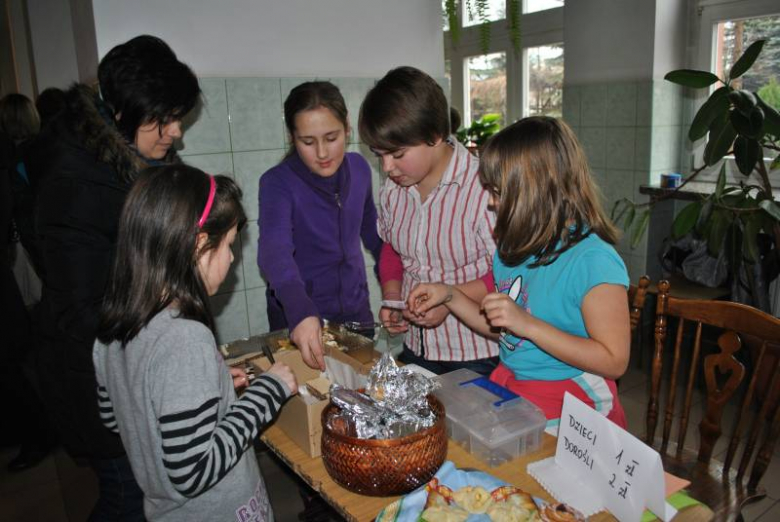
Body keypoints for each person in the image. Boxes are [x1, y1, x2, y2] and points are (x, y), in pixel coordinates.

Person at [34, 35, 200, 521]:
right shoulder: (77, 181)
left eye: (177, 118)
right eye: (163, 119)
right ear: (124, 109)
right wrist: (168, 337)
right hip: (98, 379)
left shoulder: (134, 157)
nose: (175, 132)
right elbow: (82, 310)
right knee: (128, 499)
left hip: (125, 366)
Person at [94, 166, 297, 521]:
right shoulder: (185, 337)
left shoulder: (113, 329)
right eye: (230, 245)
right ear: (200, 245)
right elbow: (194, 471)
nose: (232, 258)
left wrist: (212, 390)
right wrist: (269, 391)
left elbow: (118, 417)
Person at [407, 116, 630, 430]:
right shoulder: (513, 250)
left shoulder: (593, 261)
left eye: (498, 192)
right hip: (517, 385)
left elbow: (614, 360)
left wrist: (527, 324)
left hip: (572, 398)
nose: (491, 202)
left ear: (535, 191)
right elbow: (507, 334)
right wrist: (450, 295)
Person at [358, 66, 498, 376]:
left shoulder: (483, 190)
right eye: (378, 153)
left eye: (396, 153)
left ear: (435, 135)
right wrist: (393, 297)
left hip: (477, 354)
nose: (387, 166)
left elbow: (507, 275)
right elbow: (393, 249)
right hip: (418, 348)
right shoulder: (394, 189)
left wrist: (451, 300)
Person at [258, 81, 382, 370]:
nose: (323, 153)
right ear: (292, 137)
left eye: (331, 137)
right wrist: (301, 313)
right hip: (302, 322)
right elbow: (274, 253)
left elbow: (375, 237)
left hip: (356, 317)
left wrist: (393, 287)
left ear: (347, 129)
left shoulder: (360, 169)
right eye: (308, 142)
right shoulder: (278, 183)